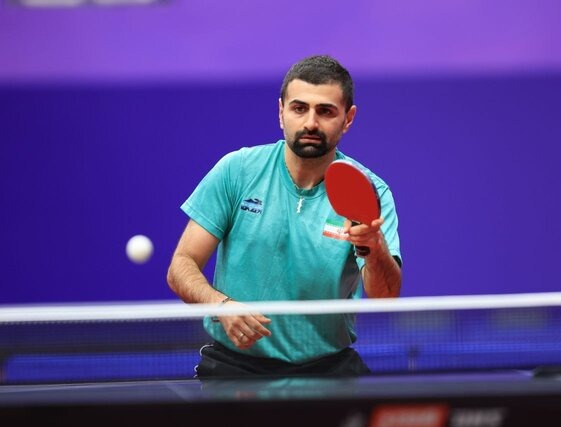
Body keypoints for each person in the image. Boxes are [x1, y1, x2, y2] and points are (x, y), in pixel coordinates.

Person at [166, 54, 402, 377]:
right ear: (281, 112)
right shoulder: (237, 171)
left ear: (348, 119)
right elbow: (181, 266)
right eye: (299, 108)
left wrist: (374, 248)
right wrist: (220, 306)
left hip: (327, 370)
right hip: (234, 367)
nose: (310, 123)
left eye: (325, 111)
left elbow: (385, 297)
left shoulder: (371, 191)